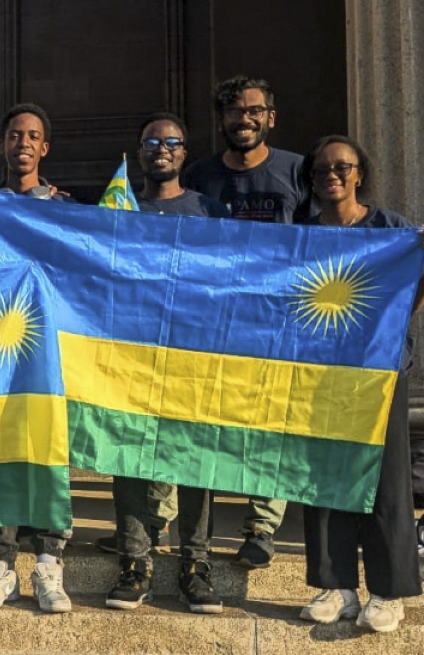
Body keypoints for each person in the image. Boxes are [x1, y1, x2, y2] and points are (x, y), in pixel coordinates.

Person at [297, 135, 424, 633]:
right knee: (322, 476)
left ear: (360, 173)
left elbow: (403, 308)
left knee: (386, 479)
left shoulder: (391, 230)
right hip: (320, 372)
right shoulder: (300, 234)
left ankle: (388, 591)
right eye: (322, 170)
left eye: (343, 167)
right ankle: (335, 585)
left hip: (380, 371)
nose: (332, 176)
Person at [183, 75, 312, 569]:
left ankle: (261, 527)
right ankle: (188, 530)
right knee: (203, 423)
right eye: (235, 112)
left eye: (255, 111)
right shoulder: (198, 177)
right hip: (212, 320)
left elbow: (324, 237)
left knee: (269, 425)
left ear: (270, 118)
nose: (245, 120)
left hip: (276, 320)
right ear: (222, 121)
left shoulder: (298, 172)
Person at [103, 113, 229, 615]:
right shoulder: (119, 211)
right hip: (132, 354)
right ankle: (135, 562)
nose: (162, 148)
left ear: (184, 152)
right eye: (152, 141)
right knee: (128, 456)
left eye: (172, 141)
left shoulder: (209, 211)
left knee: (196, 458)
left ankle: (195, 564)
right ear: (140, 153)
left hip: (194, 354)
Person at [0, 103, 74, 614]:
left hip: (49, 353)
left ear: (44, 148)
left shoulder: (64, 208)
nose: (23, 143)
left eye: (33, 136)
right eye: (14, 135)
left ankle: (49, 564)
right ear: (1, 145)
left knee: (50, 451)